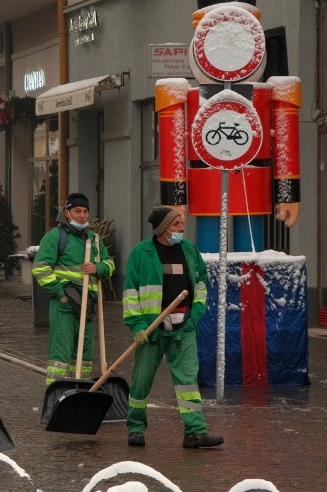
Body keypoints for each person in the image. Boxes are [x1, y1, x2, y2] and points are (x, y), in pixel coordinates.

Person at [122, 207, 223, 449]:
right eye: (176, 224)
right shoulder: (141, 253)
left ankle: (195, 432)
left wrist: (196, 313)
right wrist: (137, 325)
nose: (181, 228)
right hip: (151, 330)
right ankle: (135, 427)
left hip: (183, 327)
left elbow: (200, 283)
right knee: (141, 381)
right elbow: (130, 293)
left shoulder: (188, 250)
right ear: (162, 229)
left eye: (181, 223)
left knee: (188, 382)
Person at [31, 192, 114, 383]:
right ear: (67, 212)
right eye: (77, 211)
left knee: (84, 356)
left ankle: (81, 390)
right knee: (60, 355)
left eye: (85, 211)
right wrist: (61, 294)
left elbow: (110, 264)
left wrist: (97, 267)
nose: (82, 215)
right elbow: (40, 269)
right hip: (65, 306)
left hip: (88, 305)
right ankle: (55, 394)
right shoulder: (55, 237)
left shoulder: (94, 239)